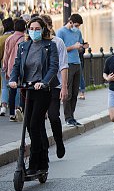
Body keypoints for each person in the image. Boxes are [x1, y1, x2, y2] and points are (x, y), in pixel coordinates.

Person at [9, 17, 59, 175]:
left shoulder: (50, 46)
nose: (34, 31)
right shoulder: (23, 46)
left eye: (38, 29)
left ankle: (35, 162)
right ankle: (42, 158)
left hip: (42, 90)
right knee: (30, 128)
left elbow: (53, 67)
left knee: (33, 124)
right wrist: (12, 80)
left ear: (43, 30)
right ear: (28, 30)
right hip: (27, 90)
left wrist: (43, 82)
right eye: (32, 28)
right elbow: (17, 65)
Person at [40, 14, 68, 159]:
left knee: (53, 116)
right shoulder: (34, 43)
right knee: (37, 120)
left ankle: (59, 141)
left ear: (49, 27)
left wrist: (64, 87)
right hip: (37, 87)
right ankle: (44, 148)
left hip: (54, 85)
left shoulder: (58, 42)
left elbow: (63, 65)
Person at [56, 13, 88, 126]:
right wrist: (73, 47)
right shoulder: (61, 32)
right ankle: (67, 117)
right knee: (67, 92)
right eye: (76, 25)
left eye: (78, 26)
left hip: (77, 63)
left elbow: (78, 46)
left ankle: (72, 116)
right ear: (70, 22)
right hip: (67, 64)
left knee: (75, 92)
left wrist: (81, 47)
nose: (77, 27)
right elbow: (59, 48)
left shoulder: (78, 32)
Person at [3, 19, 26, 122]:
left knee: (12, 91)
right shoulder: (25, 40)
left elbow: (6, 55)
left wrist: (5, 67)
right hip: (23, 68)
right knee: (22, 90)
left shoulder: (9, 39)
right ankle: (20, 109)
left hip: (11, 68)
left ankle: (12, 113)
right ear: (24, 28)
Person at [0, 18, 14, 116]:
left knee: (5, 86)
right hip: (16, 65)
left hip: (4, 64)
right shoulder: (18, 37)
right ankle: (16, 108)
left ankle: (3, 106)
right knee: (15, 86)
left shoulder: (2, 39)